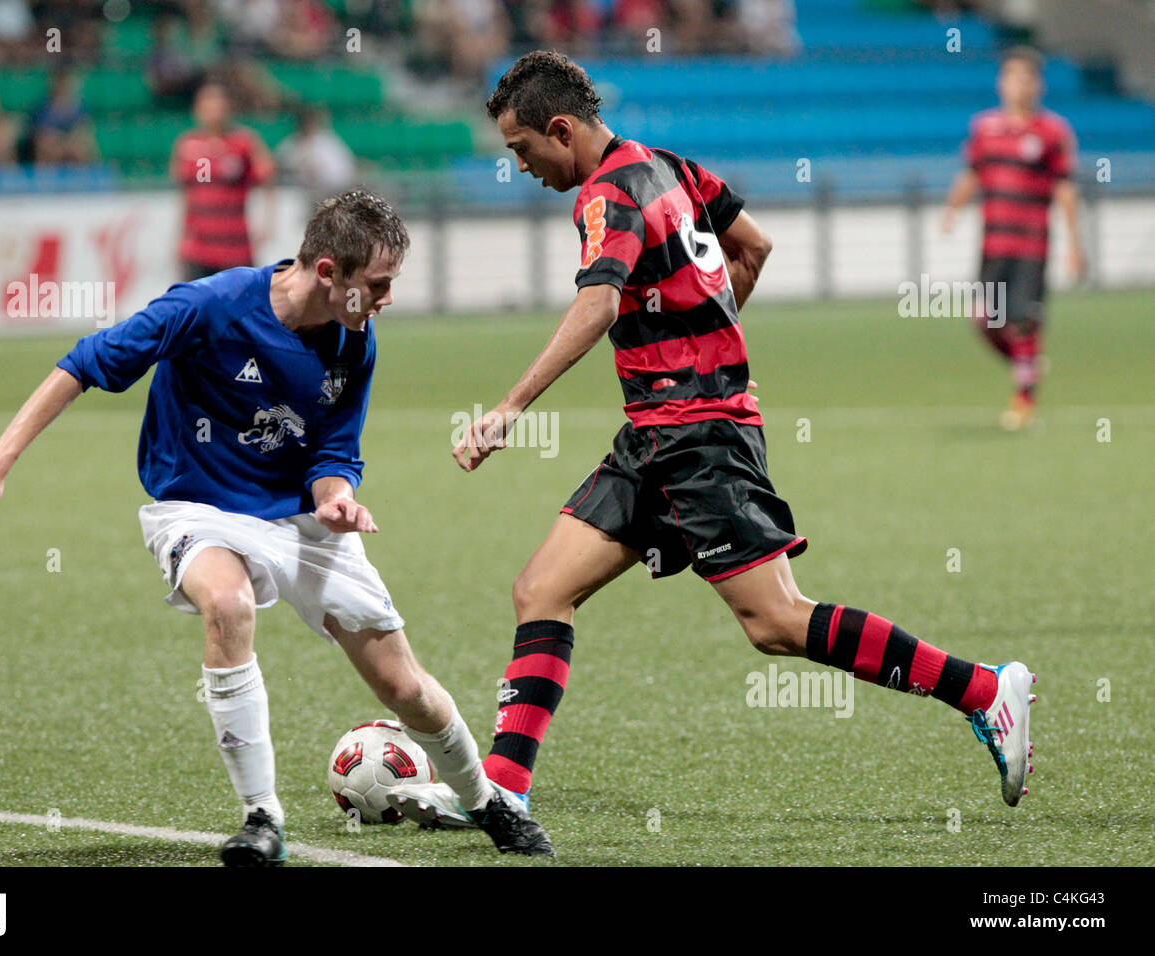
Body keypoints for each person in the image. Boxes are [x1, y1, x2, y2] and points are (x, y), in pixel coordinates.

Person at [386, 52, 1037, 840]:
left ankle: (982, 689)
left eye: (523, 150)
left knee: (776, 622)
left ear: (561, 130)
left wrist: (511, 406)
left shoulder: (606, 194)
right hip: (662, 432)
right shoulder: (668, 166)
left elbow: (597, 303)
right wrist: (714, 347)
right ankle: (505, 793)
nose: (521, 167)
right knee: (541, 591)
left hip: (697, 437)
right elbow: (753, 247)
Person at [0, 189, 554, 863]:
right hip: (198, 506)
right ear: (329, 273)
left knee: (403, 687)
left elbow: (334, 449)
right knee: (228, 604)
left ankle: (486, 801)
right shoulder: (207, 307)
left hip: (297, 520)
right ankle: (262, 818)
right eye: (377, 285)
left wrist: (336, 498)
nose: (386, 299)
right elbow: (83, 365)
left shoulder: (355, 340)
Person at [941, 47, 1084, 431]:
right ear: (1000, 82)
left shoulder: (1053, 132)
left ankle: (1023, 398)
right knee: (983, 320)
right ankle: (1027, 366)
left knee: (1023, 322)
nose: (1019, 85)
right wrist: (951, 211)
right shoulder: (985, 128)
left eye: (1026, 78)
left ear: (1038, 84)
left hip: (1032, 246)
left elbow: (1066, 190)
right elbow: (970, 173)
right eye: (1012, 77)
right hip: (993, 245)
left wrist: (1075, 244)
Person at [171, 82, 275, 283]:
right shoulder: (187, 145)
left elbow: (267, 179)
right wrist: (180, 238)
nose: (213, 108)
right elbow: (187, 196)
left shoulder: (244, 142)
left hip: (235, 248)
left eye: (218, 102)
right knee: (197, 310)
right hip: (198, 249)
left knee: (241, 310)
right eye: (207, 102)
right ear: (197, 109)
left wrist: (268, 223)